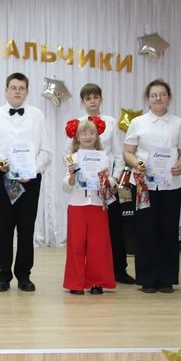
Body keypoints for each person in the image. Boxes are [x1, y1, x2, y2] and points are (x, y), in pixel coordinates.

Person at [0, 72, 52, 293]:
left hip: (30, 180)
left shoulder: (37, 116)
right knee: (4, 228)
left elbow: (46, 151)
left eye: (21, 88)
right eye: (13, 88)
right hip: (4, 178)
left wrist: (33, 170)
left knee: (26, 229)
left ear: (27, 91)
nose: (17, 92)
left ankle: (24, 275)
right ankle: (3, 276)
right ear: (6, 90)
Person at [122, 78, 181, 294]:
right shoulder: (138, 122)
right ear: (148, 99)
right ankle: (147, 279)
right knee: (145, 230)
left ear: (168, 97)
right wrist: (138, 164)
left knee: (168, 230)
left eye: (162, 94)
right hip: (144, 185)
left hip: (171, 186)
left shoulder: (178, 123)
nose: (158, 98)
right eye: (154, 95)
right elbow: (128, 152)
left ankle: (167, 279)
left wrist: (180, 165)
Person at [77, 83, 134, 284]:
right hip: (86, 187)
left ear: (101, 99)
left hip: (108, 185)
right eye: (88, 98)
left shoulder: (111, 122)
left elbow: (118, 154)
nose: (92, 101)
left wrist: (114, 179)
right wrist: (79, 175)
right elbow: (70, 153)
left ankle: (119, 270)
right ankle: (89, 271)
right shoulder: (77, 123)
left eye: (95, 97)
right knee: (88, 232)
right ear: (82, 102)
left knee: (114, 228)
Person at [61, 117, 116, 295]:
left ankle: (96, 282)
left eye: (91, 133)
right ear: (77, 137)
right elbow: (66, 186)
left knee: (98, 245)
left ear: (96, 136)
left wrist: (106, 179)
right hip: (77, 205)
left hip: (98, 205)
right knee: (76, 245)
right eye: (83, 133)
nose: (87, 136)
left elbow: (111, 182)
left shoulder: (104, 158)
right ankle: (75, 283)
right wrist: (72, 176)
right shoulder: (72, 158)